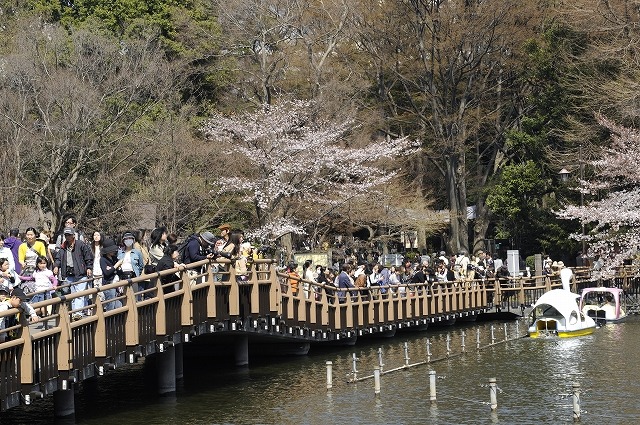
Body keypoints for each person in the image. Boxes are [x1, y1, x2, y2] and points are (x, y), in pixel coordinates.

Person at [53, 227, 93, 320]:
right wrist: (56, 266)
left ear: (73, 235)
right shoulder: (63, 247)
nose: (67, 237)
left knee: (79, 294)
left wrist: (89, 267)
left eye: (69, 235)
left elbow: (88, 257)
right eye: (66, 235)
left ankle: (77, 313)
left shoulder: (80, 244)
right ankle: (76, 313)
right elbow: (58, 258)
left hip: (81, 273)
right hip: (69, 273)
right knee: (73, 295)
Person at [117, 232, 146, 299]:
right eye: (126, 239)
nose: (128, 240)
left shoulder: (137, 252)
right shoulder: (120, 252)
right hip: (123, 277)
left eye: (130, 238)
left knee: (134, 297)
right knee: (124, 298)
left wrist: (137, 273)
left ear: (133, 240)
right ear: (123, 241)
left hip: (133, 276)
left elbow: (141, 265)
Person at [99, 239, 123, 311]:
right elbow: (107, 273)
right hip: (108, 285)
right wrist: (115, 266)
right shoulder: (103, 259)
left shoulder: (114, 258)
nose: (114, 251)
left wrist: (115, 268)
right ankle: (109, 321)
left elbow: (119, 272)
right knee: (111, 306)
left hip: (116, 285)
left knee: (119, 306)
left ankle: (118, 322)